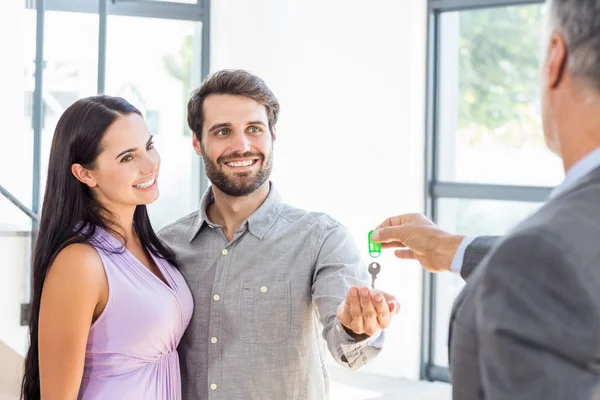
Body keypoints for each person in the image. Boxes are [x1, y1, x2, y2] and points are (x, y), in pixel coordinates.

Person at [371, 0, 600, 398]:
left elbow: (552, 264)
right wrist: (454, 249)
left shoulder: (542, 255)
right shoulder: (553, 250)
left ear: (555, 59)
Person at [158, 69, 399, 400]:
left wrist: (356, 328)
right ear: (198, 143)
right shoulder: (166, 245)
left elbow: (349, 351)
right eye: (223, 131)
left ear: (273, 135)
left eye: (254, 129)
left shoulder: (322, 238)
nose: (241, 146)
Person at [21, 96, 193, 399]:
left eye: (149, 145)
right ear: (84, 173)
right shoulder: (80, 262)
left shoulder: (150, 247)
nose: (150, 164)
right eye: (127, 157)